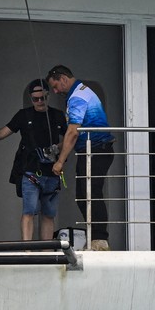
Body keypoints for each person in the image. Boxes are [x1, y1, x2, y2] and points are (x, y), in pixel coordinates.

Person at [0, 78, 68, 241]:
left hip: (52, 171)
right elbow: (0, 134)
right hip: (30, 171)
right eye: (35, 99)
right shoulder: (23, 115)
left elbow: (70, 138)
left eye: (43, 98)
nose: (40, 102)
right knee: (29, 211)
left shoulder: (58, 115)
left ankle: (46, 250)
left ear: (48, 96)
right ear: (31, 98)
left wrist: (57, 149)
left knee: (49, 214)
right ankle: (27, 250)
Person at [47, 65, 117, 250]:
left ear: (63, 78)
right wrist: (58, 147)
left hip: (95, 150)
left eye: (55, 86)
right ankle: (95, 237)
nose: (56, 91)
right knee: (84, 194)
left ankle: (99, 240)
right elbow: (76, 133)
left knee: (91, 193)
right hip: (93, 149)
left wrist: (60, 161)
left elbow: (73, 132)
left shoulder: (77, 96)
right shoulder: (82, 91)